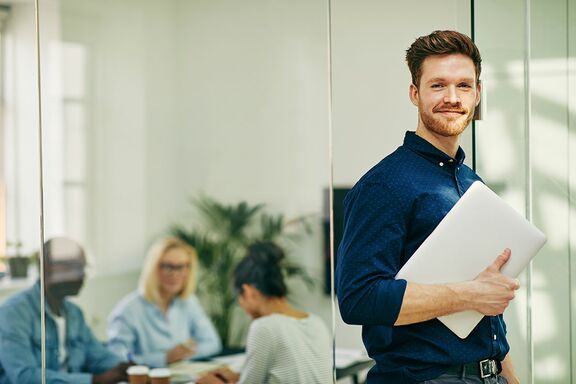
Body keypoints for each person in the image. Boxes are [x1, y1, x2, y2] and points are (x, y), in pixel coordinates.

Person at [336, 30, 521, 384]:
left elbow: (489, 314)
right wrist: (471, 293)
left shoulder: (472, 184)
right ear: (414, 93)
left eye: (464, 86)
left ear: (478, 94)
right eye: (438, 86)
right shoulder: (384, 184)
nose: (452, 98)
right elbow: (358, 298)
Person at [197, 242, 332, 384]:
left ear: (249, 292)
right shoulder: (316, 322)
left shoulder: (265, 327)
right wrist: (240, 377)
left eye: (240, 300)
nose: (242, 307)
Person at [0, 237, 130, 384]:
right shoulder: (13, 314)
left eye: (82, 267)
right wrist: (94, 380)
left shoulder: (74, 314)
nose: (82, 275)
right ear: (46, 269)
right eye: (73, 268)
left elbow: (99, 357)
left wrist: (130, 368)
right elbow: (24, 376)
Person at [107, 237, 221, 368]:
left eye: (181, 267)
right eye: (167, 266)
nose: (174, 274)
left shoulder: (189, 302)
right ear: (153, 268)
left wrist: (183, 354)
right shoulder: (128, 310)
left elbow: (212, 343)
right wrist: (163, 358)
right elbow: (117, 359)